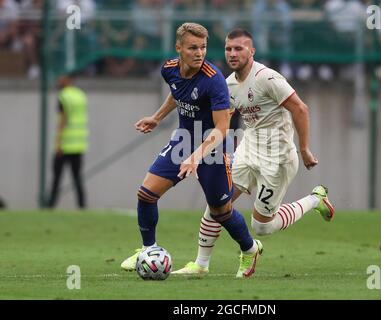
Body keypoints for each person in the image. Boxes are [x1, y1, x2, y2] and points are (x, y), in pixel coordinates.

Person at [173, 29, 334, 275]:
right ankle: (201, 264)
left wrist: (304, 149)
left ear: (252, 51)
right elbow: (223, 120)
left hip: (277, 158)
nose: (232, 54)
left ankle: (315, 200)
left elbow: (301, 109)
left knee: (261, 227)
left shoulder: (267, 79)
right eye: (228, 49)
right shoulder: (226, 84)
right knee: (218, 202)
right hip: (248, 150)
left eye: (239, 48)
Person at [120, 23, 263, 278]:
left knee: (221, 212)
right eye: (193, 47)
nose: (199, 53)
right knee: (146, 194)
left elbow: (221, 127)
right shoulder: (169, 69)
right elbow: (177, 94)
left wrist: (196, 157)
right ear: (179, 49)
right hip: (183, 141)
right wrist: (157, 117)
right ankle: (148, 249)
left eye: (203, 47)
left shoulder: (213, 80)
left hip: (213, 148)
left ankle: (250, 249)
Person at [47, 74, 88, 209]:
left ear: (68, 79)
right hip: (79, 144)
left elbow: (63, 120)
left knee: (57, 177)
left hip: (65, 144)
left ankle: (50, 205)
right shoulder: (81, 95)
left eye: (61, 78)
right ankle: (82, 206)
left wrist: (58, 143)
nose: (58, 80)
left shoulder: (63, 96)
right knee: (77, 178)